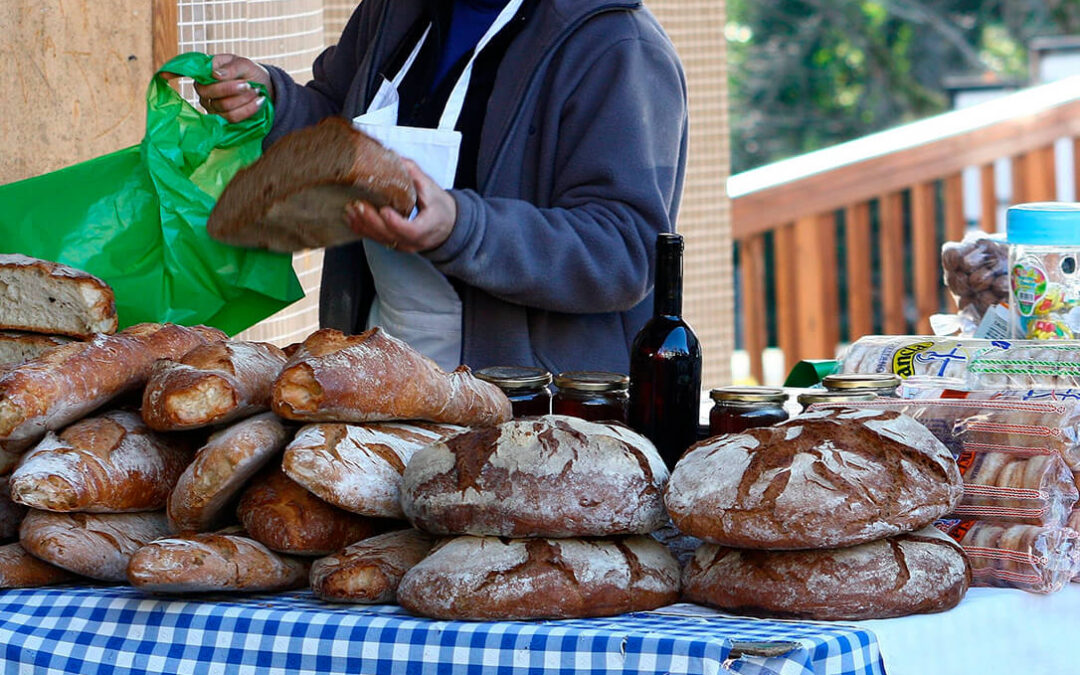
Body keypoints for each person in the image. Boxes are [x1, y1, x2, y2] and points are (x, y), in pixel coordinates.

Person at [195, 0, 688, 375]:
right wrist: (273, 105)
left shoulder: (617, 46)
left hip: (531, 404)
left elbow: (625, 251)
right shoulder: (395, 11)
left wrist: (460, 227)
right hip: (382, 367)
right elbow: (339, 126)